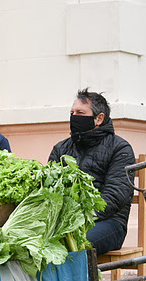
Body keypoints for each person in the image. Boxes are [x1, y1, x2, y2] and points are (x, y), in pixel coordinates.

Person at [49, 89, 136, 255]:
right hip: (67, 223)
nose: (74, 117)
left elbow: (115, 196)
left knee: (74, 244)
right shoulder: (61, 148)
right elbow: (50, 189)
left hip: (110, 223)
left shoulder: (120, 149)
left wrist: (78, 218)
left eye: (80, 113)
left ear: (99, 118)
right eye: (72, 113)